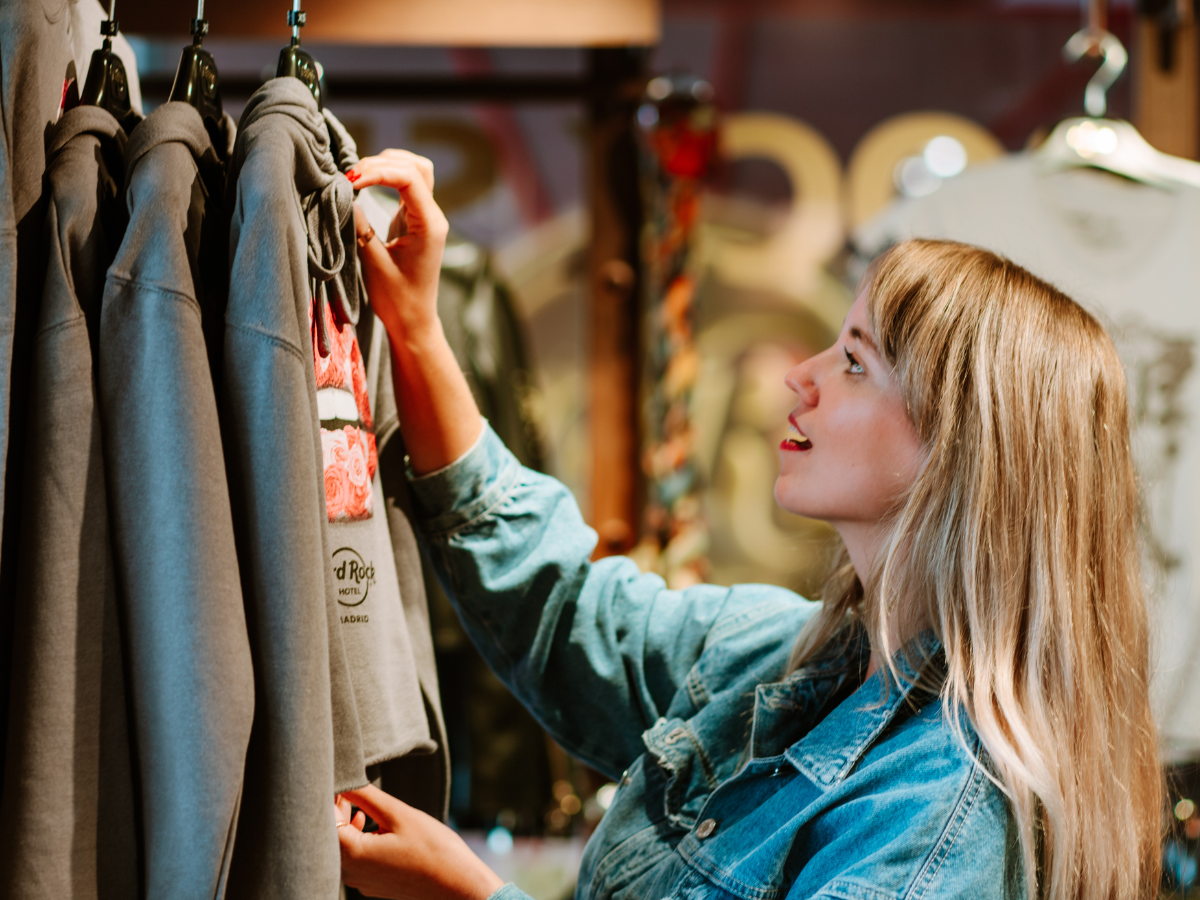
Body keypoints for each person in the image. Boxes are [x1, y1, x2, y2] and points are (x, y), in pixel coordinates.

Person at [335, 150, 1162, 900]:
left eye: (853, 362)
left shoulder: (935, 818)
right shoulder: (775, 654)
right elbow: (558, 605)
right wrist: (414, 327)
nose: (802, 376)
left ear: (956, 450)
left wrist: (469, 895)